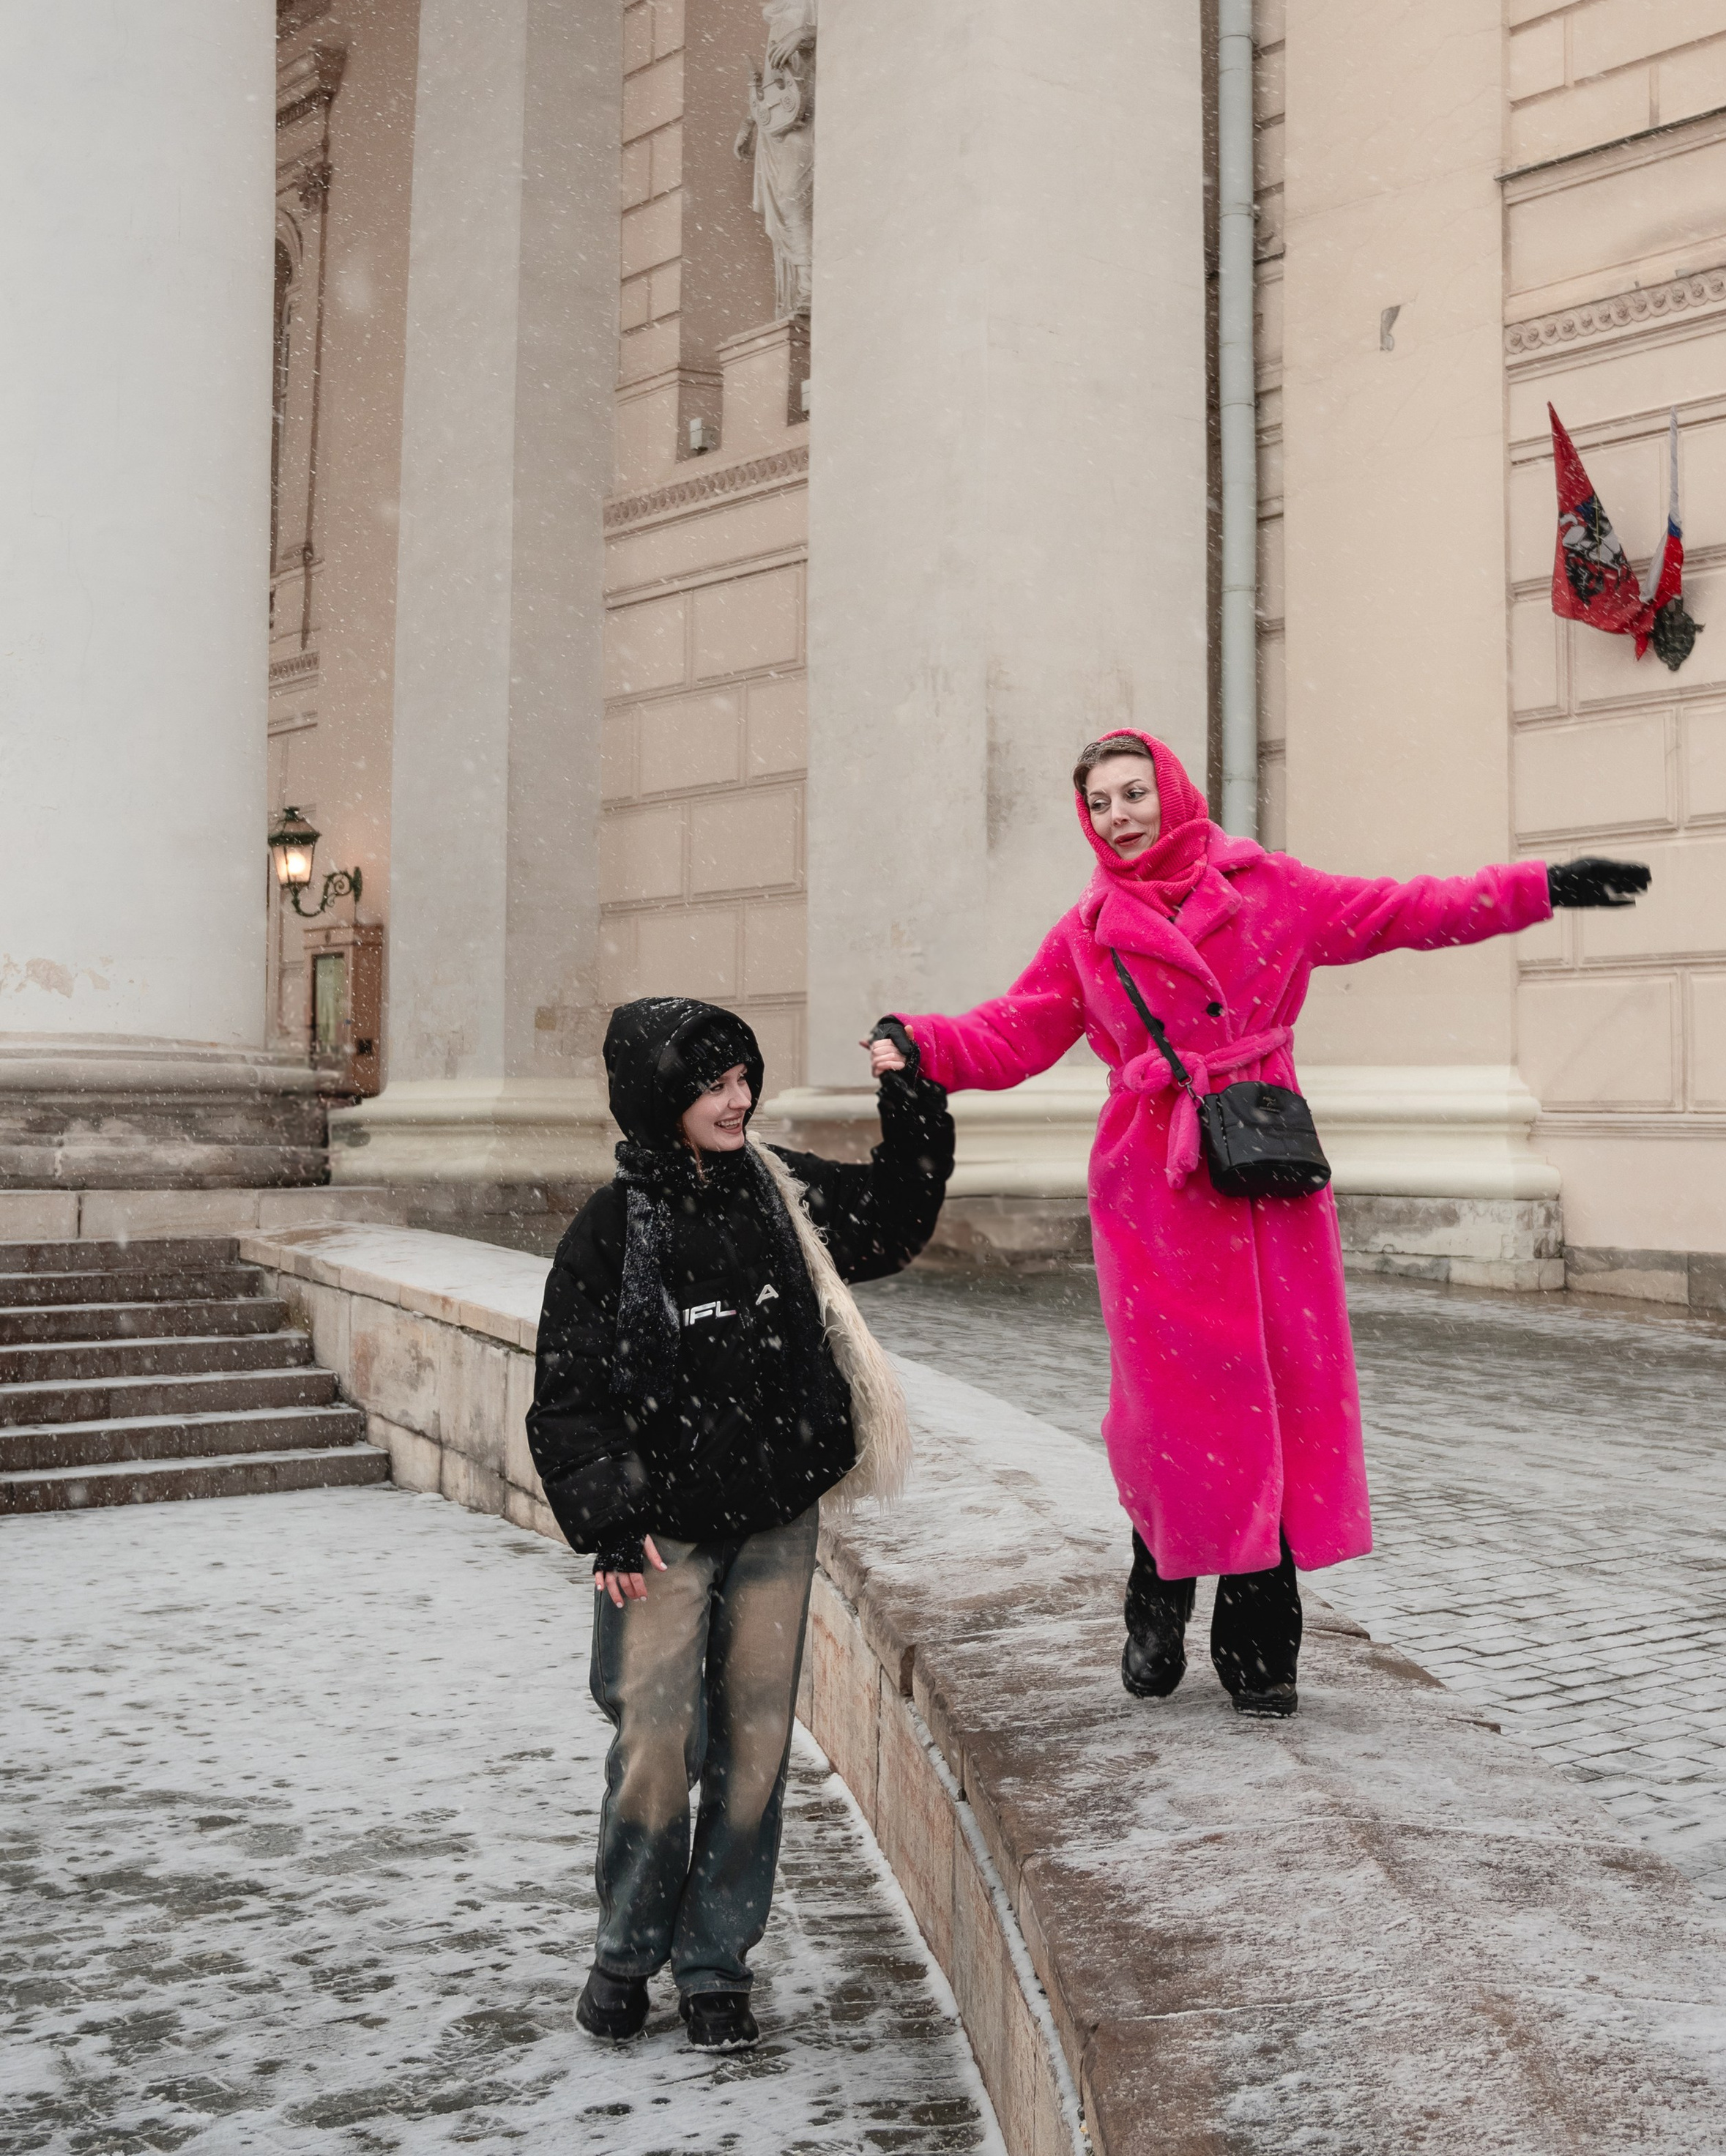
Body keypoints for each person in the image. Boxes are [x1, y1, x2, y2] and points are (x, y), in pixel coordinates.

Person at [868, 731, 1647, 1719]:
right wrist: (921, 1040)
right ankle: (1158, 1586)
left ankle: (1259, 1637)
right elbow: (1014, 1029)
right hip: (1153, 1191)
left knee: (1276, 1397)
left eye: (1134, 793)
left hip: (1266, 1175)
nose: (1121, 816)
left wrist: (1542, 887)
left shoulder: (1270, 889)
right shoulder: (1090, 931)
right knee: (1168, 1412)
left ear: (1172, 790)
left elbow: (1411, 911)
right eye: (1101, 803)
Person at [527, 995, 952, 2049]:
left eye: (740, 1080)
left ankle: (716, 1961)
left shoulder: (782, 1192)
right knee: (657, 1741)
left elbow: (895, 1219)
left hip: (774, 1522)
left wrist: (911, 1098)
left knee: (757, 1746)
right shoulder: (611, 1229)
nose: (738, 1100)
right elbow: (569, 1393)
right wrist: (612, 1525)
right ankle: (625, 1952)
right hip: (663, 1536)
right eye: (711, 1085)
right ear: (658, 1096)